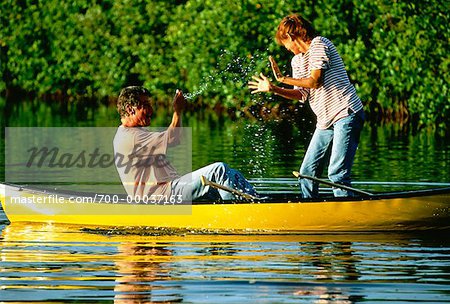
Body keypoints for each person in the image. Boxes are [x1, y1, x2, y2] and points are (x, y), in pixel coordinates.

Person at [248, 14, 364, 198]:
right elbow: (302, 94)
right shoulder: (297, 60)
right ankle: (310, 211)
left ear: (291, 36)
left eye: (284, 43)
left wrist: (282, 79)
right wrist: (274, 88)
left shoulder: (319, 44)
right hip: (325, 121)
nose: (286, 48)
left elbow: (315, 81)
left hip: (346, 112)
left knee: (336, 172)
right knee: (307, 172)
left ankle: (348, 212)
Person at [113, 86, 257, 202]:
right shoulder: (131, 137)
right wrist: (177, 111)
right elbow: (173, 139)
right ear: (130, 109)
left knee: (230, 177)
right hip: (160, 196)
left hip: (166, 191)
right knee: (219, 170)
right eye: (145, 105)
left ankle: (255, 201)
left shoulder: (129, 133)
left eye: (150, 104)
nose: (151, 110)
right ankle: (247, 211)